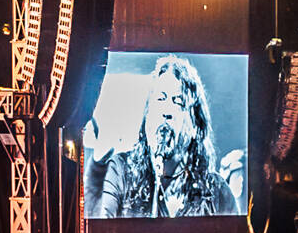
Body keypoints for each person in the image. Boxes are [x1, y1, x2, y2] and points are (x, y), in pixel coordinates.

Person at [84, 53, 240, 219]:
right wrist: (98, 168)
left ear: (195, 125)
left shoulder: (218, 192)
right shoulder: (121, 170)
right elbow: (99, 229)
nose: (166, 111)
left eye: (178, 102)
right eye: (160, 99)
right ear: (147, 118)